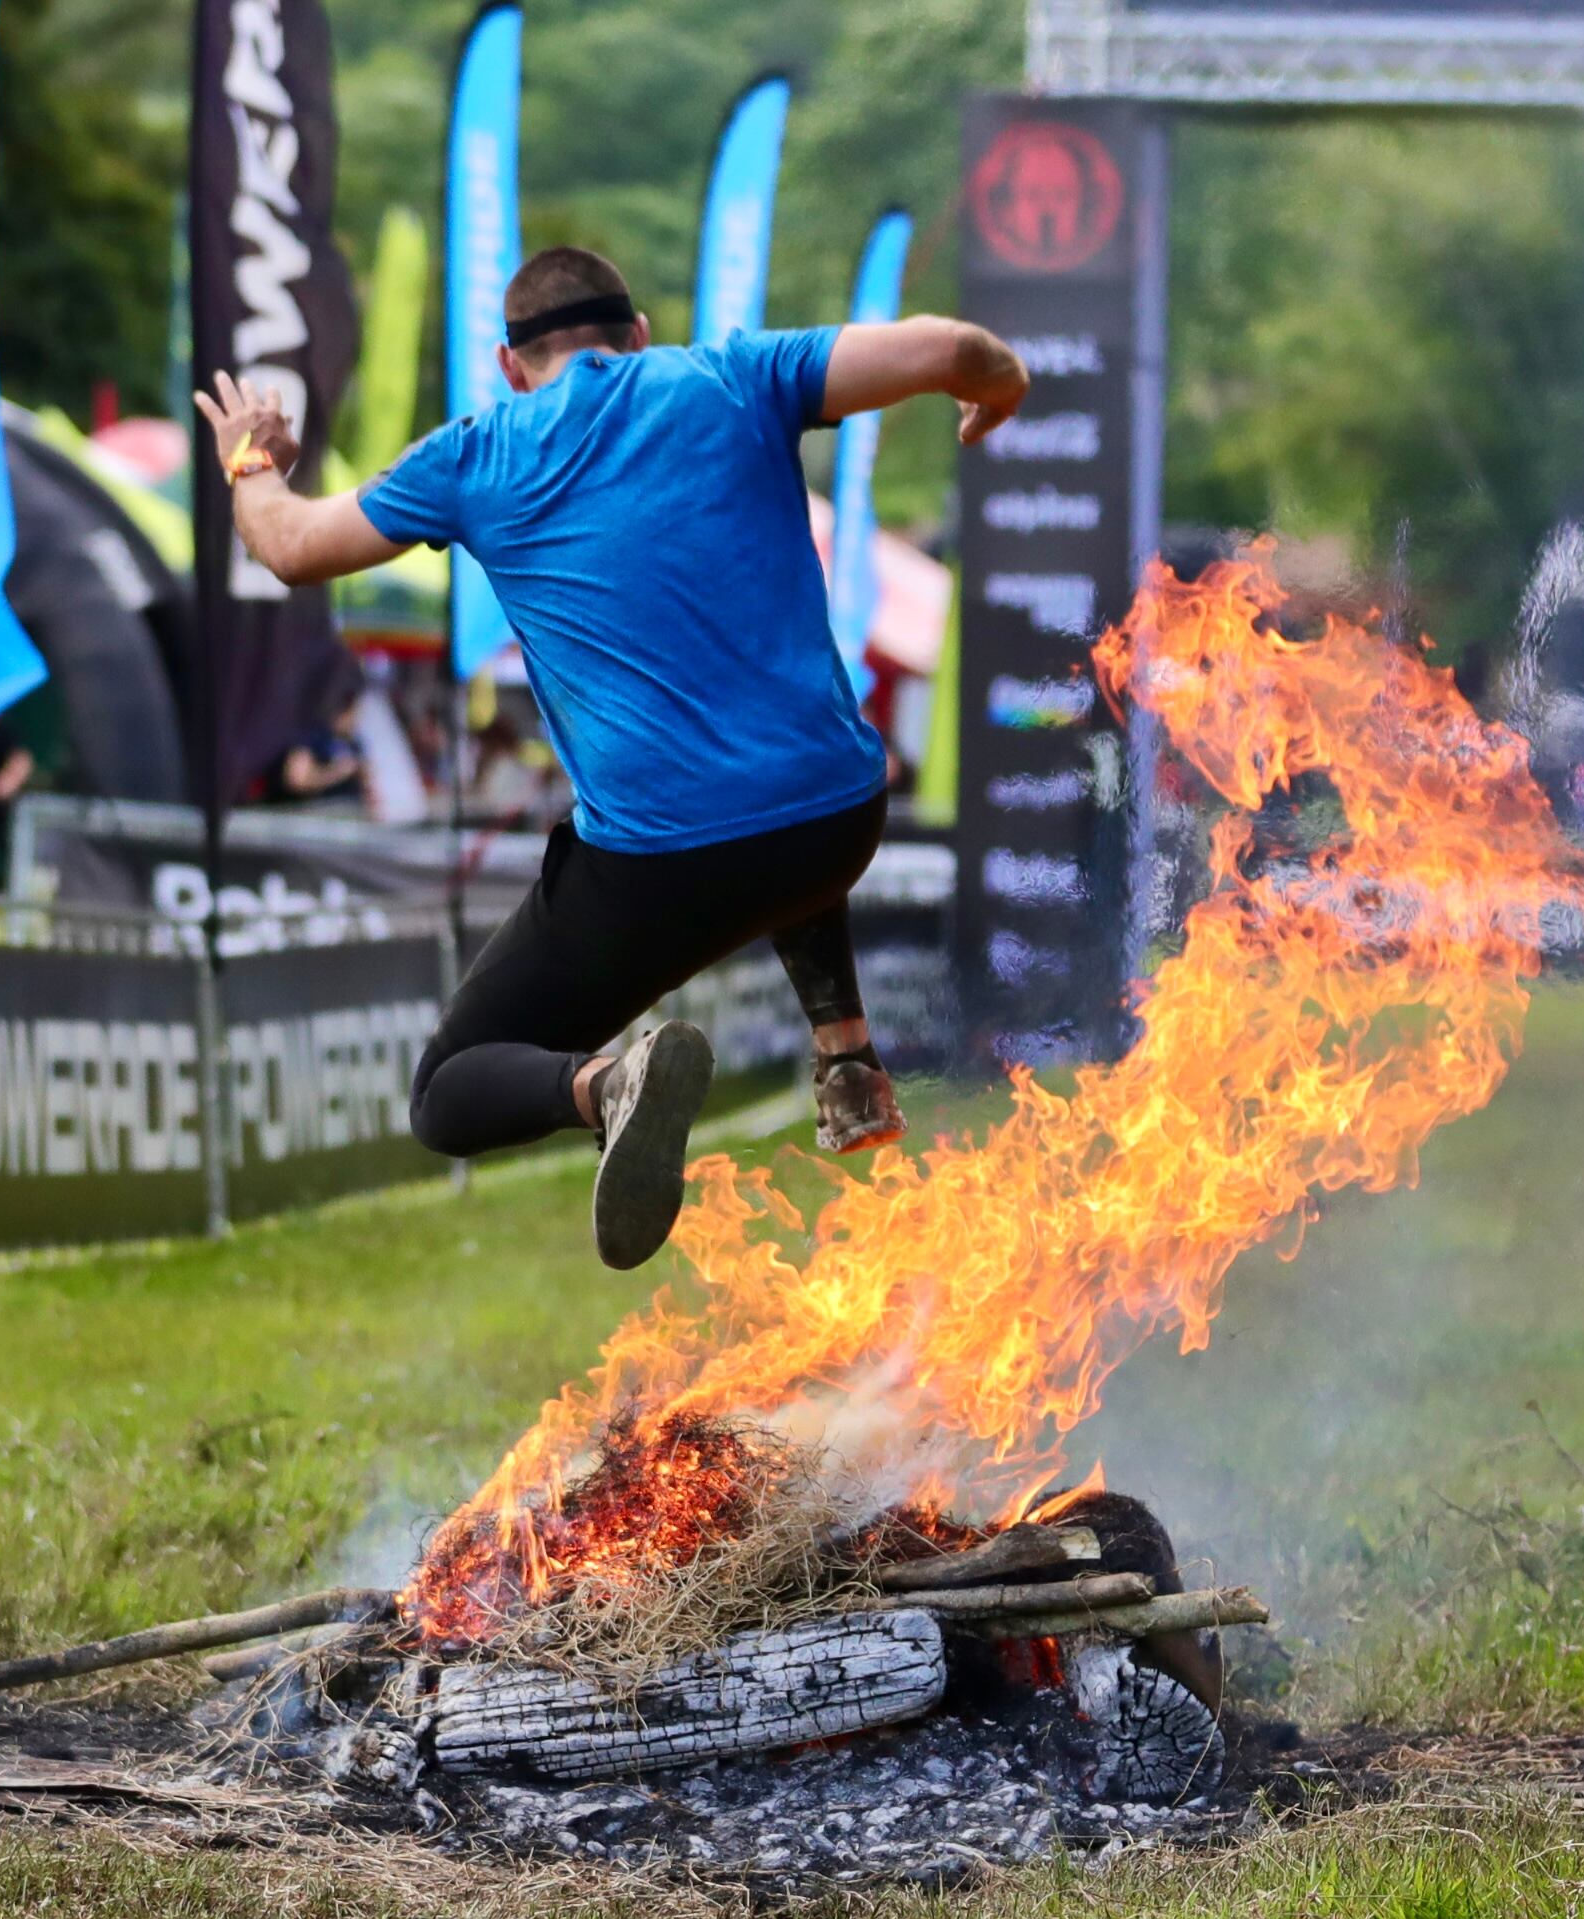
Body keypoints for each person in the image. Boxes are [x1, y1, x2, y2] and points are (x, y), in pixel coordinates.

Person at [193, 246, 1028, 1269]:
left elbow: (287, 545)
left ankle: (606, 1085)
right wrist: (1000, 389)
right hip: (839, 823)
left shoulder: (476, 453)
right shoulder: (736, 375)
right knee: (777, 759)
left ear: (510, 366)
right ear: (637, 336)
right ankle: (846, 1051)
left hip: (663, 870)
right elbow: (953, 347)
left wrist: (250, 458)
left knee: (445, 1090)